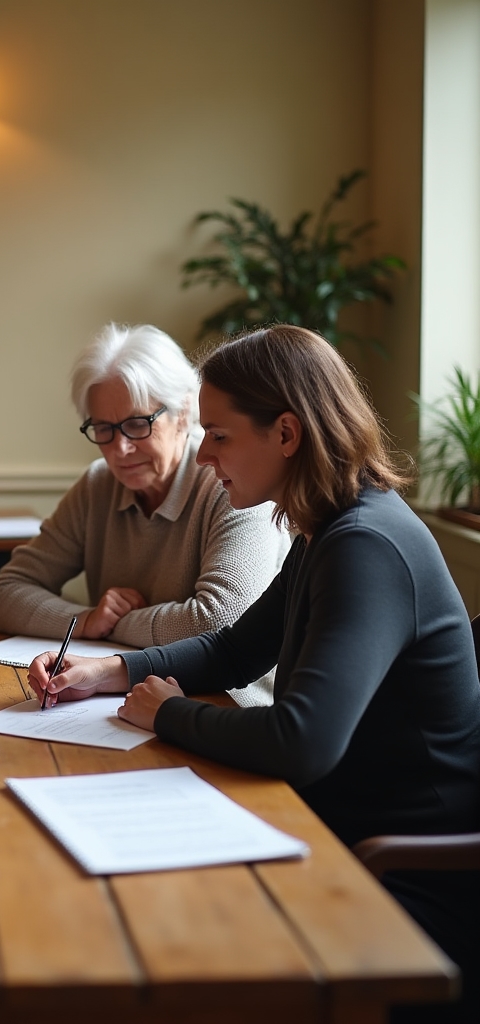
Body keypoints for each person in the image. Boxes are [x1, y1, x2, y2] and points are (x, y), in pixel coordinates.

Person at [28, 325, 480, 1023]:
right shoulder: (329, 527)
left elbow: (303, 742)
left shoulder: (364, 545)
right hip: (329, 826)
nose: (204, 456)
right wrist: (111, 672)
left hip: (394, 873)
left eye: (219, 435)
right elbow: (234, 651)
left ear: (287, 434)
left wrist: (169, 712)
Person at [0, 323, 289, 705]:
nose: (120, 449)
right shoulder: (99, 485)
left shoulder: (230, 480)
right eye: (104, 429)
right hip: (117, 695)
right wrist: (87, 619)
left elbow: (220, 621)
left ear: (182, 413)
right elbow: (2, 595)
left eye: (137, 424)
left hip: (222, 706)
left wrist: (117, 625)